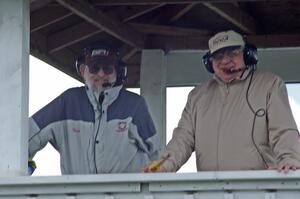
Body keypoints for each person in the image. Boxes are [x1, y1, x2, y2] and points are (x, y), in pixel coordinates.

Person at [144, 30, 300, 173]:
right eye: (218, 56)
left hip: (256, 187)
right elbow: (183, 138)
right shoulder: (197, 95)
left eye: (233, 53)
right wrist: (163, 165)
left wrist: (290, 158)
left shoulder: (270, 84)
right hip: (212, 189)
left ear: (247, 55)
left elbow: (283, 129)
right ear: (209, 64)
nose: (225, 61)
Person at [28, 43, 160, 174]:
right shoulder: (67, 102)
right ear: (83, 70)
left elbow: (156, 154)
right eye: (94, 67)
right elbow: (25, 138)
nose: (101, 73)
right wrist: (23, 166)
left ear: (118, 72)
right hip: (77, 194)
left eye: (107, 68)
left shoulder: (135, 104)